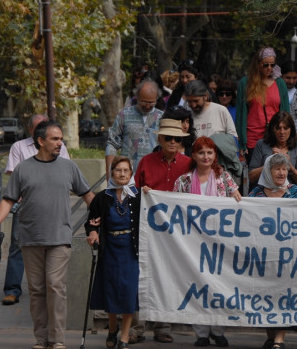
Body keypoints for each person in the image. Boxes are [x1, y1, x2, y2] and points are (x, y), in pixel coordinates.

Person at [0, 120, 94, 349]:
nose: (60, 143)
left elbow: (88, 195)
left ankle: (57, 340)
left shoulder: (69, 167)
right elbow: (8, 199)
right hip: (30, 237)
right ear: (40, 141)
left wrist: (100, 220)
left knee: (55, 285)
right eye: (55, 139)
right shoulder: (23, 168)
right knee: (36, 290)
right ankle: (41, 338)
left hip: (59, 238)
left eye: (61, 139)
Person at [173, 136, 241, 347]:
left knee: (220, 285)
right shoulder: (183, 181)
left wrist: (237, 195)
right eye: (201, 152)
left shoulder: (225, 178)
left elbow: (238, 202)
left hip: (220, 241)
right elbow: (172, 207)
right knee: (197, 285)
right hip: (192, 242)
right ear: (193, 155)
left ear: (215, 156)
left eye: (209, 152)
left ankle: (218, 330)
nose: (206, 156)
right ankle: (201, 332)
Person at [0, 114, 70, 306]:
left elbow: (65, 171)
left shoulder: (59, 147)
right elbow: (15, 177)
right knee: (17, 245)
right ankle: (12, 290)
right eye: (40, 127)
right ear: (32, 131)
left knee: (53, 248)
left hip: (52, 207)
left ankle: (48, 289)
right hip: (24, 204)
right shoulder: (19, 147)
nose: (45, 129)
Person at [133, 118, 192, 343]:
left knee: (167, 276)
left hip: (175, 232)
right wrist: (143, 193)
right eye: (169, 138)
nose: (173, 142)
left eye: (177, 138)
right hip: (147, 228)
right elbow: (132, 193)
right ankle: (137, 328)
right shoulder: (146, 162)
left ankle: (163, 327)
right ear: (160, 139)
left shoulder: (188, 163)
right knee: (142, 275)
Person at [248, 153, 297, 349]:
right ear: (268, 170)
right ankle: (270, 335)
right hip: (263, 256)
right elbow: (245, 216)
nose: (282, 172)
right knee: (266, 295)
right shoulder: (256, 194)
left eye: (284, 169)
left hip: (287, 256)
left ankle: (279, 339)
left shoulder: (295, 191)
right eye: (277, 169)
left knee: (284, 295)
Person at [85, 156, 140, 349]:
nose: (122, 174)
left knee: (128, 292)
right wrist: (92, 232)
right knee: (110, 290)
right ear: (112, 173)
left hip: (131, 251)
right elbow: (91, 221)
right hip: (109, 249)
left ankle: (124, 336)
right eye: (118, 170)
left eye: (126, 170)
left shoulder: (139, 196)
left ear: (131, 173)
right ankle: (112, 328)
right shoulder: (102, 197)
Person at [236, 47, 291, 159]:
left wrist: (287, 138)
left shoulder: (280, 83)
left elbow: (286, 114)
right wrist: (242, 142)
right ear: (258, 64)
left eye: (272, 65)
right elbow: (241, 114)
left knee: (275, 172)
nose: (269, 68)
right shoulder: (245, 83)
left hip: (275, 137)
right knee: (255, 173)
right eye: (265, 65)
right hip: (253, 137)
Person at [106, 78, 163, 178]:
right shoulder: (124, 115)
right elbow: (112, 144)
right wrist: (109, 173)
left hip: (153, 174)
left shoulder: (162, 117)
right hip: (127, 175)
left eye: (151, 102)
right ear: (137, 97)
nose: (147, 106)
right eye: (144, 102)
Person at [248, 111, 297, 187]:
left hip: (288, 194)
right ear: (273, 129)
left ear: (291, 130)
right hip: (264, 192)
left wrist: (289, 166)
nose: (282, 132)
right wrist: (269, 162)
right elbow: (251, 177)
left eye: (285, 128)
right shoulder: (261, 144)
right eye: (278, 128)